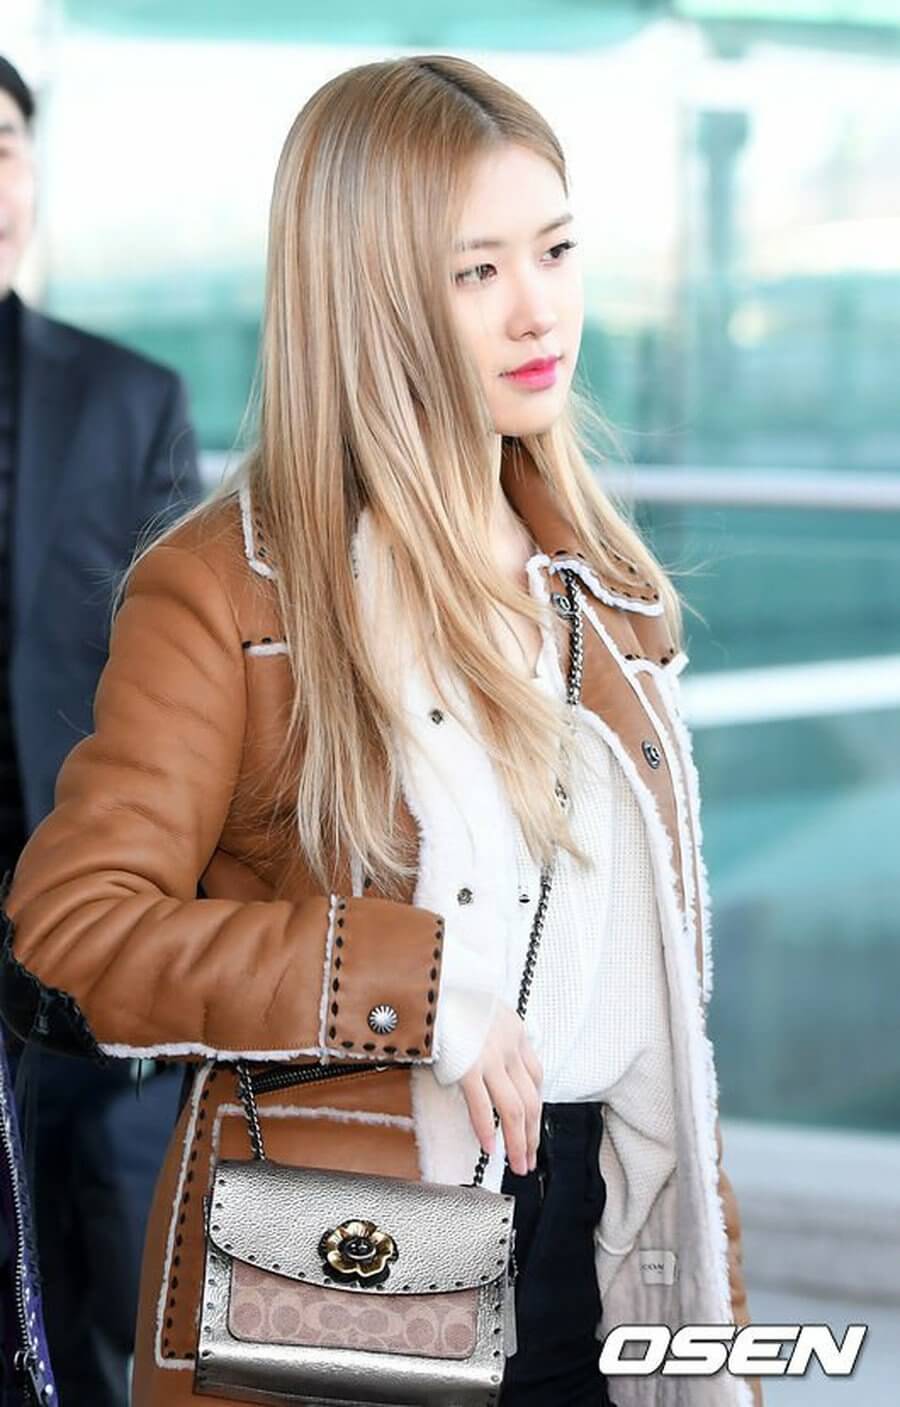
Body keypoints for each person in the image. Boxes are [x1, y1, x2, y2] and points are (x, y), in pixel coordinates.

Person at [0, 54, 762, 1407]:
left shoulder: (608, 591)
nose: (538, 309)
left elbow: (656, 1016)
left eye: (557, 250)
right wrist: (415, 988)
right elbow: (74, 934)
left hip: (609, 1229)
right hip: (356, 1214)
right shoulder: (232, 590)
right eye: (477, 271)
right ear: (370, 297)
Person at [0, 54, 202, 1407]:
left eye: (3, 145)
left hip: (74, 908)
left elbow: (193, 686)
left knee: (111, 1265)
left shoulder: (132, 396)